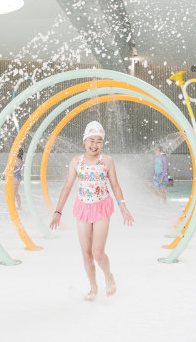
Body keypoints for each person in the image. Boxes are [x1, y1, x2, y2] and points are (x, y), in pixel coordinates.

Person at [49, 121, 134, 301]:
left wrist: (123, 207)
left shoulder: (107, 161)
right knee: (86, 253)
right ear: (84, 141)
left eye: (99, 141)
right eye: (91, 140)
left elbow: (115, 185)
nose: (95, 145)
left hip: (102, 207)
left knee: (97, 252)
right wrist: (58, 212)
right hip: (83, 208)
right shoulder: (76, 162)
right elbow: (67, 187)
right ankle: (93, 287)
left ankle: (108, 275)